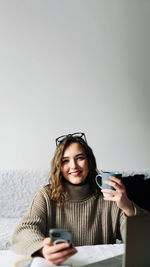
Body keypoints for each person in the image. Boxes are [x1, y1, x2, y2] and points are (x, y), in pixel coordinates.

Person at [11, 132, 146, 266]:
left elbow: (142, 240)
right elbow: (24, 231)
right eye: (65, 161)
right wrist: (42, 248)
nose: (74, 166)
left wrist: (128, 207)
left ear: (89, 162)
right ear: (59, 166)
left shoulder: (110, 196)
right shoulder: (46, 195)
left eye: (80, 158)